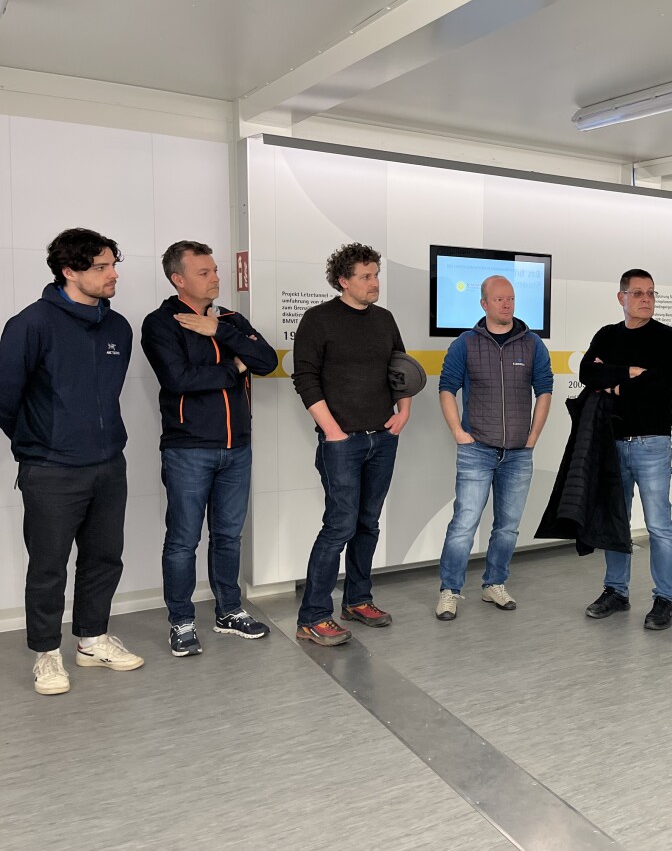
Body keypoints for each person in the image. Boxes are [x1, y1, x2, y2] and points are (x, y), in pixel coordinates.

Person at [0, 227, 144, 694]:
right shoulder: (31, 324)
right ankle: (46, 654)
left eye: (112, 264)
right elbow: (5, 398)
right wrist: (39, 444)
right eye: (101, 267)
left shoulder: (118, 327)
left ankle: (92, 639)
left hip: (109, 464)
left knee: (104, 558)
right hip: (51, 468)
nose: (112, 274)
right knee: (48, 566)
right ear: (69, 271)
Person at [141, 240, 279, 657]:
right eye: (204, 272)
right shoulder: (160, 323)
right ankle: (181, 621)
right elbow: (180, 380)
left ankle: (229, 611)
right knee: (183, 540)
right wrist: (234, 366)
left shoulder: (231, 319)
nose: (216, 278)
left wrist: (220, 332)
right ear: (178, 279)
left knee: (228, 537)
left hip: (238, 448)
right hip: (189, 449)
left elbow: (267, 361)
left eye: (215, 270)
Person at [291, 243, 411, 645]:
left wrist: (404, 411)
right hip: (341, 443)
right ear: (343, 280)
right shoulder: (318, 319)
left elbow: (401, 369)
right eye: (365, 276)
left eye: (376, 275)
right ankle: (312, 617)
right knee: (339, 525)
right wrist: (332, 431)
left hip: (383, 438)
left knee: (367, 523)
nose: (374, 283)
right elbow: (305, 379)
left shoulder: (384, 319)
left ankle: (358, 599)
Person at [434, 275, 553, 621]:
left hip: (518, 453)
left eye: (510, 298)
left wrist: (533, 436)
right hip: (477, 450)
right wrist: (458, 432)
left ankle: (494, 584)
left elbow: (544, 389)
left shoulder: (532, 344)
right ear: (484, 304)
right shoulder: (466, 343)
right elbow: (447, 387)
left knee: (508, 526)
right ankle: (449, 590)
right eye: (499, 299)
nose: (506, 304)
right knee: (464, 524)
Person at [579, 268, 672, 629]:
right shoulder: (607, 335)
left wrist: (612, 379)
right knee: (615, 520)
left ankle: (665, 598)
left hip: (652, 443)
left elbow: (660, 386)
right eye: (638, 293)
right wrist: (631, 373)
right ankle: (616, 591)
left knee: (659, 525)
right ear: (621, 297)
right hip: (612, 442)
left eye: (651, 293)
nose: (646, 299)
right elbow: (587, 373)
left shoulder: (666, 337)